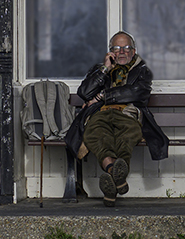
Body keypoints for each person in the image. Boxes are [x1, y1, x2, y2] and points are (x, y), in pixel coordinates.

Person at [64, 31, 168, 207]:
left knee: (127, 135)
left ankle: (110, 180)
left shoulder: (143, 71)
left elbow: (137, 93)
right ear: (110, 52)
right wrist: (105, 70)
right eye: (117, 48)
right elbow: (84, 93)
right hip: (100, 114)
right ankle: (115, 175)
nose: (122, 52)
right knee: (95, 134)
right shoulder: (100, 69)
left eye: (126, 48)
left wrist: (102, 96)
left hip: (127, 113)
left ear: (133, 51)